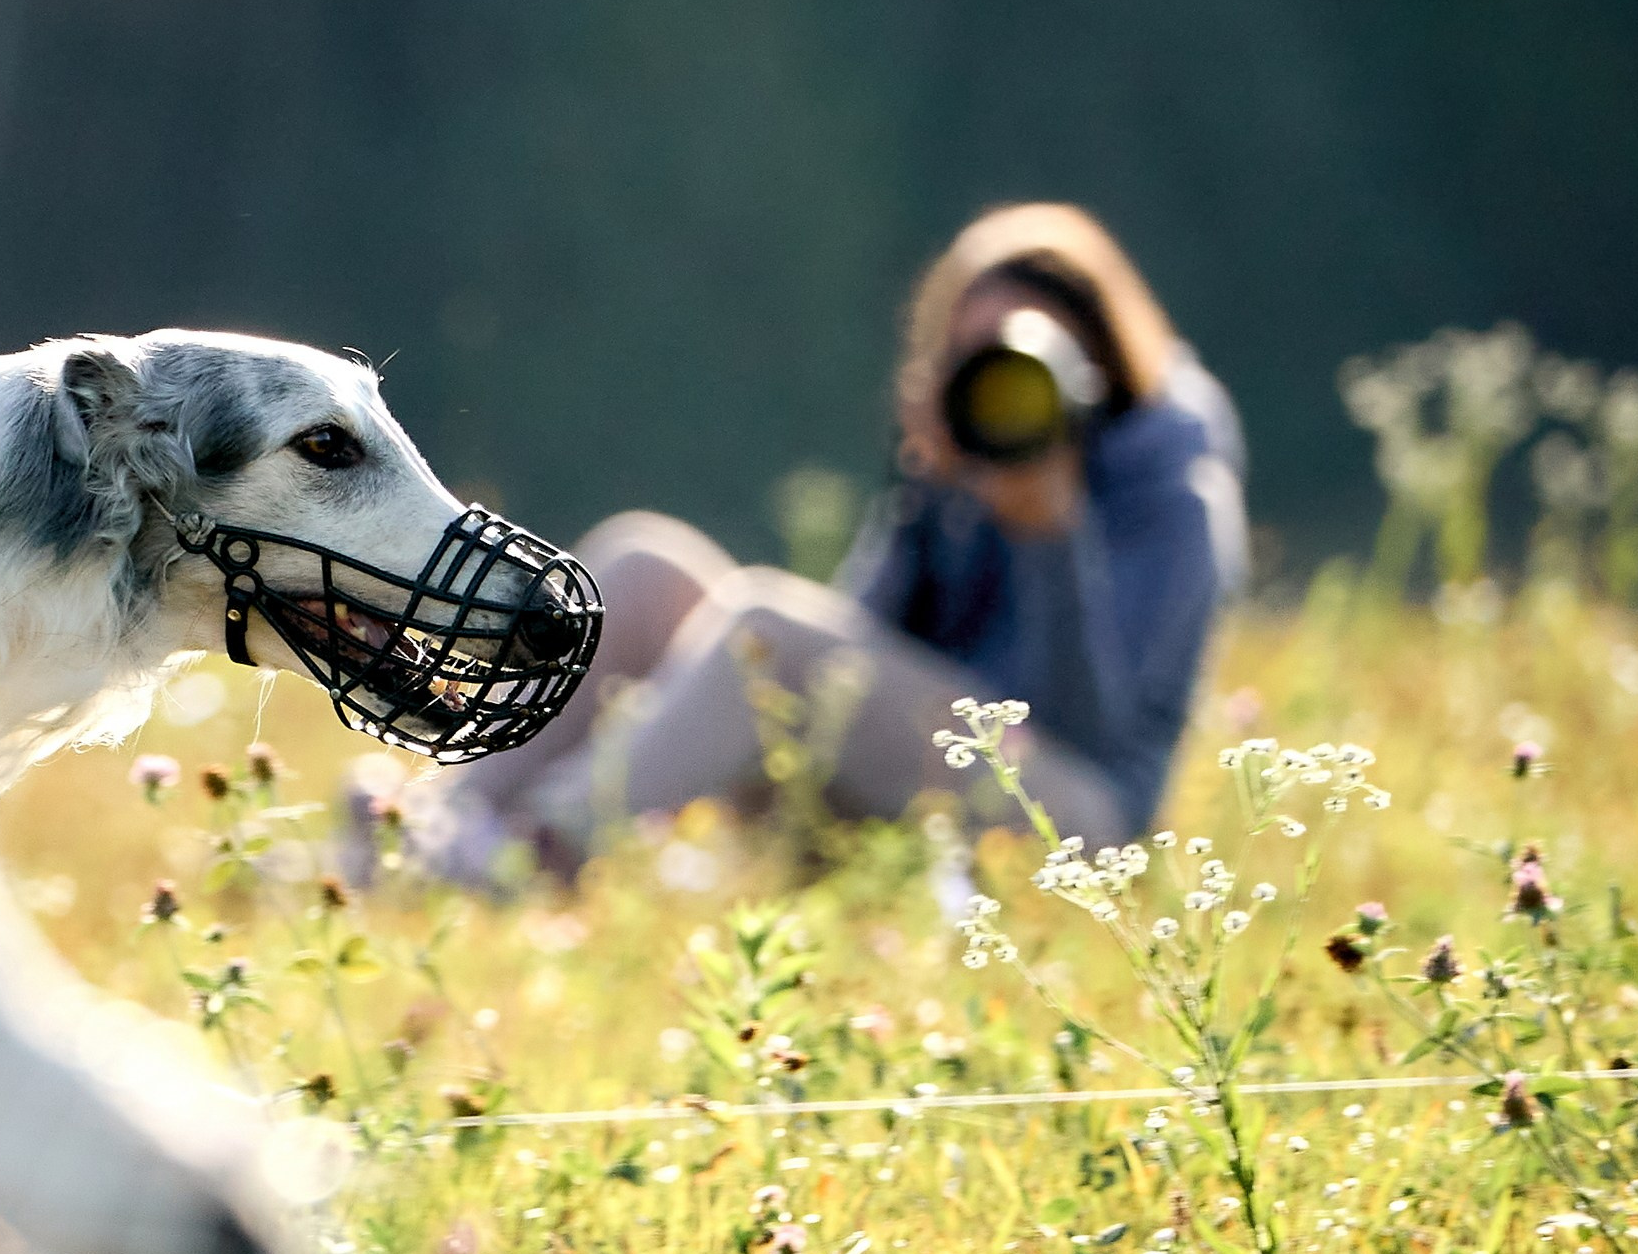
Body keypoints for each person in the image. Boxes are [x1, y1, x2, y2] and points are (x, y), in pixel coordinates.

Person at [381, 203, 1246, 879]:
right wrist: (927, 498)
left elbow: (1084, 737)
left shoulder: (1172, 500)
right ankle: (428, 829)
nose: (1001, 390)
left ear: (1096, 364)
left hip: (1074, 830)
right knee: (644, 567)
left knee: (765, 634)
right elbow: (853, 644)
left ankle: (536, 852)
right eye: (971, 358)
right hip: (911, 794)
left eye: (1027, 365)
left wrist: (1050, 535)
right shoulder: (956, 479)